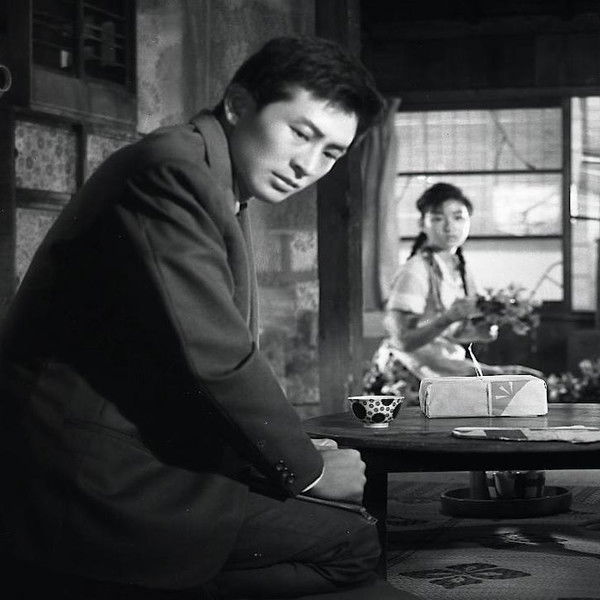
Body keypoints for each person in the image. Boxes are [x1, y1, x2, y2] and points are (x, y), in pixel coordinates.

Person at [0, 37, 413, 600]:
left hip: (131, 450)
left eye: (332, 153)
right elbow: (214, 356)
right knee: (353, 542)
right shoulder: (172, 170)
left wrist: (292, 457)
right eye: (300, 133)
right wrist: (310, 471)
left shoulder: (212, 179)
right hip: (83, 471)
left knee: (350, 531)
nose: (307, 165)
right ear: (239, 104)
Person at [373, 182, 542, 394]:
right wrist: (447, 318)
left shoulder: (459, 267)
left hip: (442, 364)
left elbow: (449, 332)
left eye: (458, 217)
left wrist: (480, 331)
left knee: (530, 381)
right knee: (516, 387)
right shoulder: (415, 270)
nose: (449, 226)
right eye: (437, 218)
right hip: (408, 373)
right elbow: (402, 340)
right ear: (422, 224)